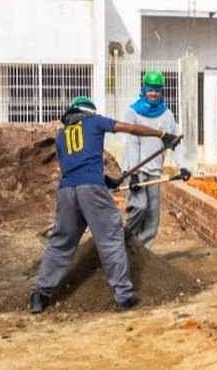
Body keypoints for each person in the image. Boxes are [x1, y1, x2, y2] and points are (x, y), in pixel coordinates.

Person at [30, 96, 182, 314]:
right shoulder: (95, 121)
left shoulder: (62, 135)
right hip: (91, 189)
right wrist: (161, 134)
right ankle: (124, 295)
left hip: (66, 191)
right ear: (88, 112)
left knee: (61, 243)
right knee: (110, 236)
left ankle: (40, 294)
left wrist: (104, 180)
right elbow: (129, 128)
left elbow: (70, 168)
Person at [123, 69, 184, 249]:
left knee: (152, 214)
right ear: (144, 89)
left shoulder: (167, 115)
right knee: (139, 207)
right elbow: (133, 144)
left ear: (161, 91)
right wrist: (133, 173)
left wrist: (183, 167)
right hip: (137, 169)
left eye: (157, 90)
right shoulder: (132, 112)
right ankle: (124, 240)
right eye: (150, 89)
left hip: (155, 170)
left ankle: (142, 251)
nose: (153, 93)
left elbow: (175, 143)